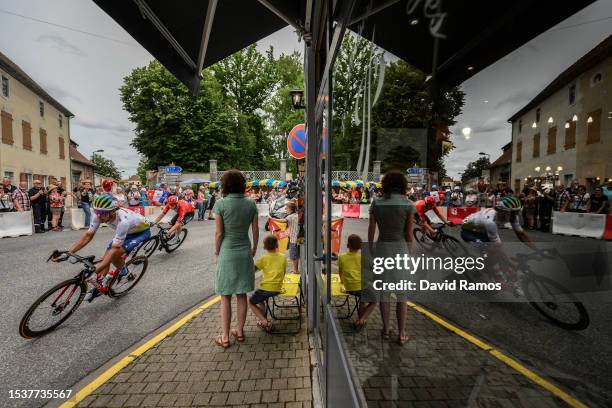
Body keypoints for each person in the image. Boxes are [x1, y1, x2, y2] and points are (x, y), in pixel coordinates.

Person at [56, 195, 151, 301]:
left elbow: (114, 250)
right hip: (127, 231)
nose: (99, 216)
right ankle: (100, 283)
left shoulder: (123, 221)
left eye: (103, 213)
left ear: (113, 211)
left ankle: (126, 274)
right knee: (106, 256)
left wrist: (94, 271)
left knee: (113, 255)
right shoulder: (99, 215)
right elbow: (88, 236)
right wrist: (68, 253)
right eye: (97, 211)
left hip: (141, 233)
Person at [213, 170, 259, 348]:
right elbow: (255, 230)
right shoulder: (251, 204)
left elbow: (219, 233)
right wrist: (254, 248)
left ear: (225, 185)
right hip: (244, 250)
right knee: (241, 294)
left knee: (225, 295)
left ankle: (224, 336)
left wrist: (217, 252)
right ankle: (239, 331)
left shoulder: (220, 204)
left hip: (227, 251)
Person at [368, 170, 415, 345]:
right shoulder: (408, 204)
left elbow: (371, 227)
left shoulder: (377, 203)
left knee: (384, 293)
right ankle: (402, 333)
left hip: (382, 248)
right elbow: (409, 234)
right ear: (403, 185)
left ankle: (386, 329)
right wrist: (410, 252)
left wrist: (371, 246)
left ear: (385, 185)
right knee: (402, 294)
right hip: (401, 249)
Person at [249, 235, 287, 332]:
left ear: (264, 247)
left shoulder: (263, 258)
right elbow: (284, 272)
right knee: (260, 300)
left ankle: (264, 321)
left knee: (251, 302)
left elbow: (252, 270)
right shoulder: (283, 257)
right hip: (277, 288)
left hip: (266, 288)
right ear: (277, 245)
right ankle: (262, 320)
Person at [338, 234, 377, 330]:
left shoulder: (342, 257)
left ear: (348, 245)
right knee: (374, 300)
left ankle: (360, 320)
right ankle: (362, 319)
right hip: (361, 286)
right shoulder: (362, 258)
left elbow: (340, 272)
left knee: (362, 299)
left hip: (349, 287)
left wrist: (343, 282)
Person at [270, 201, 300, 274]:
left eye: (286, 208)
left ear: (290, 209)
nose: (285, 209)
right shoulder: (296, 215)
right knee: (296, 254)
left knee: (294, 255)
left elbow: (283, 221)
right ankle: (296, 269)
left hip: (293, 239)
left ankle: (296, 270)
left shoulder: (290, 216)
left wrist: (272, 219)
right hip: (298, 238)